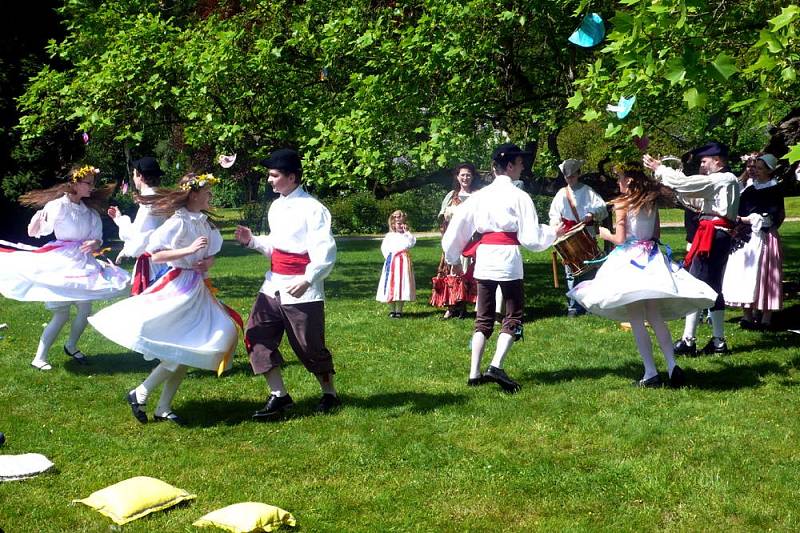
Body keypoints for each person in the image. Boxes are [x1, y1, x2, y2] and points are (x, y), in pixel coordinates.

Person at [88, 173, 239, 425]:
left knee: (199, 343)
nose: (210, 196)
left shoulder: (204, 222)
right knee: (182, 348)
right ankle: (142, 393)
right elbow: (156, 255)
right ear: (193, 194)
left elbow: (212, 253)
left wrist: (205, 262)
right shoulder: (178, 222)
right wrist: (188, 251)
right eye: (207, 192)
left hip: (198, 287)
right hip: (179, 286)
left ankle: (160, 405)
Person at [568, 163, 717, 387]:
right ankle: (671, 364)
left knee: (637, 319)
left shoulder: (621, 203)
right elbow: (656, 233)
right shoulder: (650, 202)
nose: (617, 182)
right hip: (651, 259)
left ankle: (650, 372)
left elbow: (620, 239)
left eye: (619, 178)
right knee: (654, 316)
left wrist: (605, 234)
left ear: (628, 181)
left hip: (630, 261)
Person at [442, 142, 565, 393]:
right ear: (509, 166)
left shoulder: (478, 197)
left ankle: (474, 373)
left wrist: (453, 257)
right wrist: (553, 232)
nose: (522, 168)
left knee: (483, 317)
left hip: (485, 259)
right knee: (513, 314)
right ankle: (496, 365)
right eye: (520, 164)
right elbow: (531, 238)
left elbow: (457, 229)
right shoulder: (519, 196)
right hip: (508, 259)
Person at [234, 148, 339, 419]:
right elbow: (277, 247)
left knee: (309, 346)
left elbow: (324, 250)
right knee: (256, 335)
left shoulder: (313, 209)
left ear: (291, 177)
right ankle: (279, 396)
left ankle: (330, 394)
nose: (269, 180)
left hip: (301, 287)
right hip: (272, 285)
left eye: (274, 175)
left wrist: (308, 279)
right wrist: (252, 241)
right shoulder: (277, 205)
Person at [0, 165, 129, 370]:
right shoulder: (58, 206)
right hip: (61, 261)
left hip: (84, 262)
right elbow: (37, 232)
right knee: (61, 313)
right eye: (88, 183)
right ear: (75, 184)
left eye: (92, 183)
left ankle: (71, 345)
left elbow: (97, 238)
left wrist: (95, 244)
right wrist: (35, 223)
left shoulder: (90, 213)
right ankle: (39, 357)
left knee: (85, 308)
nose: (91, 188)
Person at [644, 142, 740, 356]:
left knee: (696, 284)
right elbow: (692, 196)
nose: (702, 165)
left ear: (718, 160)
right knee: (712, 287)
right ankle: (717, 341)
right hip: (717, 234)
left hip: (713, 235)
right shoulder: (724, 181)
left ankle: (690, 340)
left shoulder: (722, 178)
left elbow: (686, 184)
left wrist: (660, 168)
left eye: (705, 161)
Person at [722, 153, 784, 329]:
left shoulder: (774, 189)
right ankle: (747, 315)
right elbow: (738, 209)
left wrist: (766, 227)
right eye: (754, 168)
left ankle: (766, 317)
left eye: (759, 168)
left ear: (769, 171)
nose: (754, 171)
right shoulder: (750, 189)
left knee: (766, 274)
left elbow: (776, 215)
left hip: (765, 235)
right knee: (746, 273)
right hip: (747, 236)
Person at [548, 158, 608, 317]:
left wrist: (591, 214)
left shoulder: (588, 191)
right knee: (571, 271)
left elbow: (602, 207)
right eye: (567, 177)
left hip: (586, 233)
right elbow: (554, 214)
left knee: (590, 269)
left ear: (578, 174)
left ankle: (590, 305)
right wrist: (557, 225)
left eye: (573, 176)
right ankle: (573, 306)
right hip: (568, 235)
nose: (570, 179)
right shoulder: (561, 194)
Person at [107, 156, 168, 293]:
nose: (133, 178)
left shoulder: (149, 202)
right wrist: (120, 219)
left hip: (152, 265)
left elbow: (140, 235)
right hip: (164, 260)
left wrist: (120, 220)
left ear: (140, 176)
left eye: (134, 174)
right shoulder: (160, 198)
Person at [432, 163, 479, 319]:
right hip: (454, 239)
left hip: (471, 240)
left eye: (468, 175)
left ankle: (465, 305)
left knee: (468, 273)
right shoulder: (451, 195)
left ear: (472, 177)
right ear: (457, 177)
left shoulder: (478, 195)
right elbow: (441, 215)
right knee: (452, 272)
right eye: (462, 175)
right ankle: (452, 306)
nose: (465, 178)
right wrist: (447, 215)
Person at [377, 210, 416, 318]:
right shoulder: (390, 236)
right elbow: (384, 248)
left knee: (401, 284)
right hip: (393, 263)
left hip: (403, 263)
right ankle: (392, 309)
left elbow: (411, 243)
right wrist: (389, 258)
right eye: (399, 223)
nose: (401, 225)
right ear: (393, 224)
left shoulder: (406, 236)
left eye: (403, 223)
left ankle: (399, 310)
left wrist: (407, 233)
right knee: (391, 285)